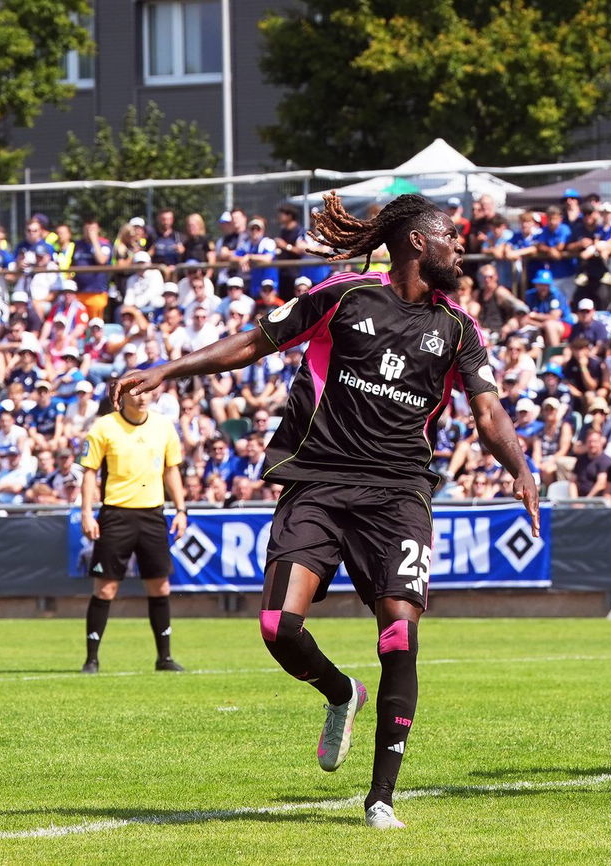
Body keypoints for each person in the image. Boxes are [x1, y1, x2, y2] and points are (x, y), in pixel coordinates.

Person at [116, 192, 539, 830]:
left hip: (398, 495)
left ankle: (381, 799)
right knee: (276, 629)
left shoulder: (458, 327)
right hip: (317, 483)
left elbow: (488, 412)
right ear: (417, 242)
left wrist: (521, 467)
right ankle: (342, 693)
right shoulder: (344, 296)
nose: (461, 244)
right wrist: (171, 370)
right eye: (450, 235)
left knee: (399, 632)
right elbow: (253, 342)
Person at [77, 378, 188, 675]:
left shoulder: (164, 426)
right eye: (134, 392)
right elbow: (89, 473)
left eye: (147, 391)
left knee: (160, 585)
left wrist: (180, 509)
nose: (142, 398)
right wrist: (86, 513)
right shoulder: (103, 427)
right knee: (106, 588)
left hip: (153, 514)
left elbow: (171, 469)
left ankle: (164, 658)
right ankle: (91, 659)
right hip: (116, 515)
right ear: (120, 396)